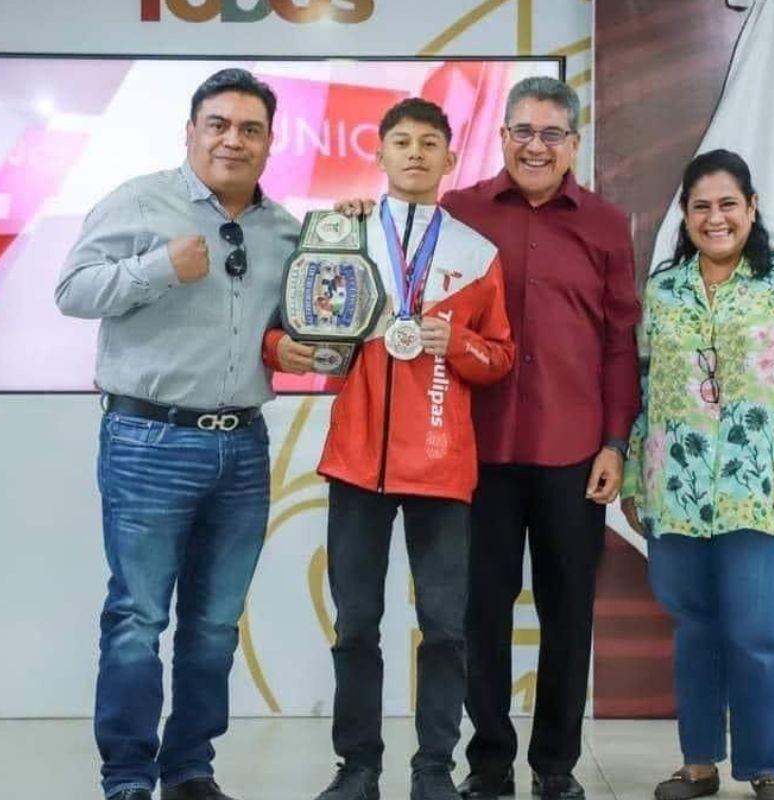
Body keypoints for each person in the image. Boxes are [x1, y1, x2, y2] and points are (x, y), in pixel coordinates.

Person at [340, 75, 640, 800]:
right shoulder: (461, 211)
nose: (536, 146)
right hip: (477, 452)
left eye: (552, 134)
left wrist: (614, 443)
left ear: (574, 144)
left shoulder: (606, 224)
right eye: (523, 132)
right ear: (502, 137)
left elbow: (621, 344)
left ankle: (556, 766)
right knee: (479, 617)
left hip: (574, 454)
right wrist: (350, 218)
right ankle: (490, 761)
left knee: (569, 614)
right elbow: (394, 241)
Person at [56, 68, 300, 800]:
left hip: (244, 448)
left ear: (268, 141)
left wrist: (289, 343)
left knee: (216, 626)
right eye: (218, 124)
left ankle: (190, 768)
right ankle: (127, 777)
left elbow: (287, 325)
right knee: (137, 618)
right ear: (190, 132)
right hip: (147, 444)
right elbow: (71, 291)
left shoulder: (286, 228)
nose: (234, 139)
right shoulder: (139, 201)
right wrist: (159, 265)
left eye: (250, 128)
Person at [268, 98, 515, 800]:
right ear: (378, 154)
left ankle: (433, 767)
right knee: (356, 626)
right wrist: (289, 347)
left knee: (444, 629)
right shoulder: (338, 234)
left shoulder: (475, 255)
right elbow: (285, 326)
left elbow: (500, 358)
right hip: (356, 463)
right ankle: (359, 767)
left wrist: (458, 345)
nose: (414, 153)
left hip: (440, 466)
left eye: (429, 142)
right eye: (401, 141)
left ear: (449, 159)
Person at [619, 149, 774, 800]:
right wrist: (638, 481)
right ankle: (698, 764)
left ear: (751, 209)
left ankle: (768, 766)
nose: (714, 218)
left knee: (756, 632)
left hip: (765, 493)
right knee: (695, 631)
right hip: (676, 494)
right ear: (684, 216)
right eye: (700, 206)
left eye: (727, 204)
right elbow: (642, 391)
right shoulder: (662, 292)